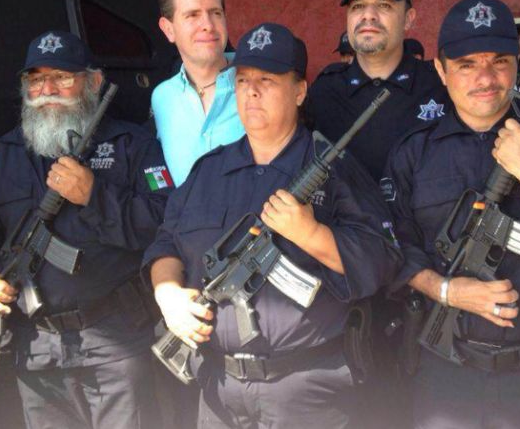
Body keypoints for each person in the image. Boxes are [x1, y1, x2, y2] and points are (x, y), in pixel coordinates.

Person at [143, 22, 402, 429]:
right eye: (243, 80)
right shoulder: (208, 171)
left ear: (299, 91)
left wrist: (314, 236)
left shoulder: (334, 170)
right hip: (218, 390)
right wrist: (169, 294)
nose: (252, 92)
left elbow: (383, 262)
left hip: (308, 392)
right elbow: (165, 244)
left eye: (267, 80)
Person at [382, 0, 520, 428]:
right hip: (445, 374)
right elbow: (391, 246)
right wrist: (446, 290)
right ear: (441, 71)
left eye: (499, 61)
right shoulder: (414, 152)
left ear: (517, 64)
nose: (485, 77)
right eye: (466, 64)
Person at [0, 30, 171, 429]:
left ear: (92, 82)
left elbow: (165, 226)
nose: (48, 90)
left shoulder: (132, 145)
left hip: (116, 345)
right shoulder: (3, 156)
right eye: (36, 79)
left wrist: (94, 195)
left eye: (62, 77)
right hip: (36, 349)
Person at [306, 0, 451, 182]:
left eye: (384, 5)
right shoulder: (324, 91)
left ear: (409, 18)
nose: (368, 15)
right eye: (357, 6)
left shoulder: (439, 85)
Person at [152, 0, 245, 185]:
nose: (208, 25)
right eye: (192, 15)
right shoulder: (162, 97)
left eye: (215, 13)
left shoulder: (259, 82)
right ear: (168, 30)